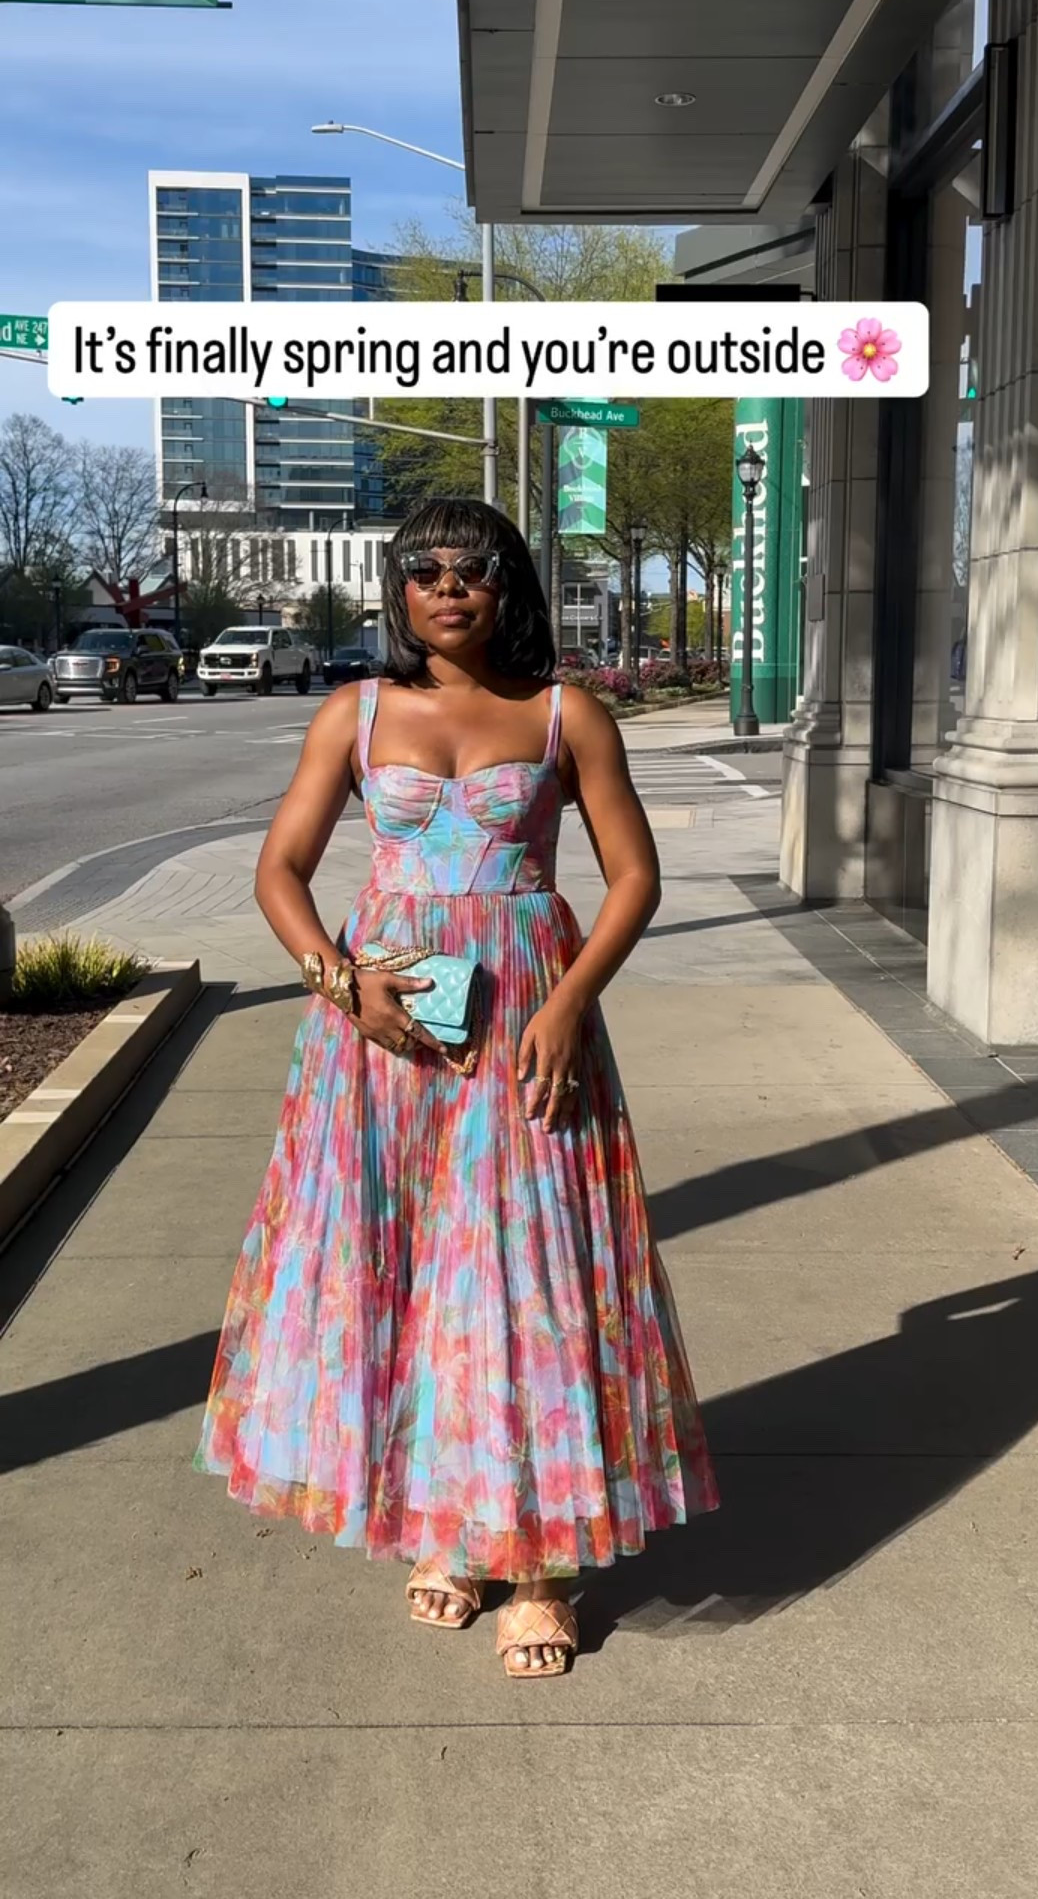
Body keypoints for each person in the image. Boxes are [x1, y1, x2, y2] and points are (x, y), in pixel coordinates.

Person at [196, 497, 719, 1679]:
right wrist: (341, 986)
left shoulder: (563, 716)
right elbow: (279, 869)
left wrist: (573, 999)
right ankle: (451, 1524)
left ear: (508, 588)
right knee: (411, 1268)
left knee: (524, 1273)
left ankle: (537, 1559)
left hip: (526, 1018)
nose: (447, 588)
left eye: (471, 571)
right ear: (398, 591)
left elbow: (634, 876)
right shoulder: (354, 713)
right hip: (382, 1037)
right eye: (424, 571)